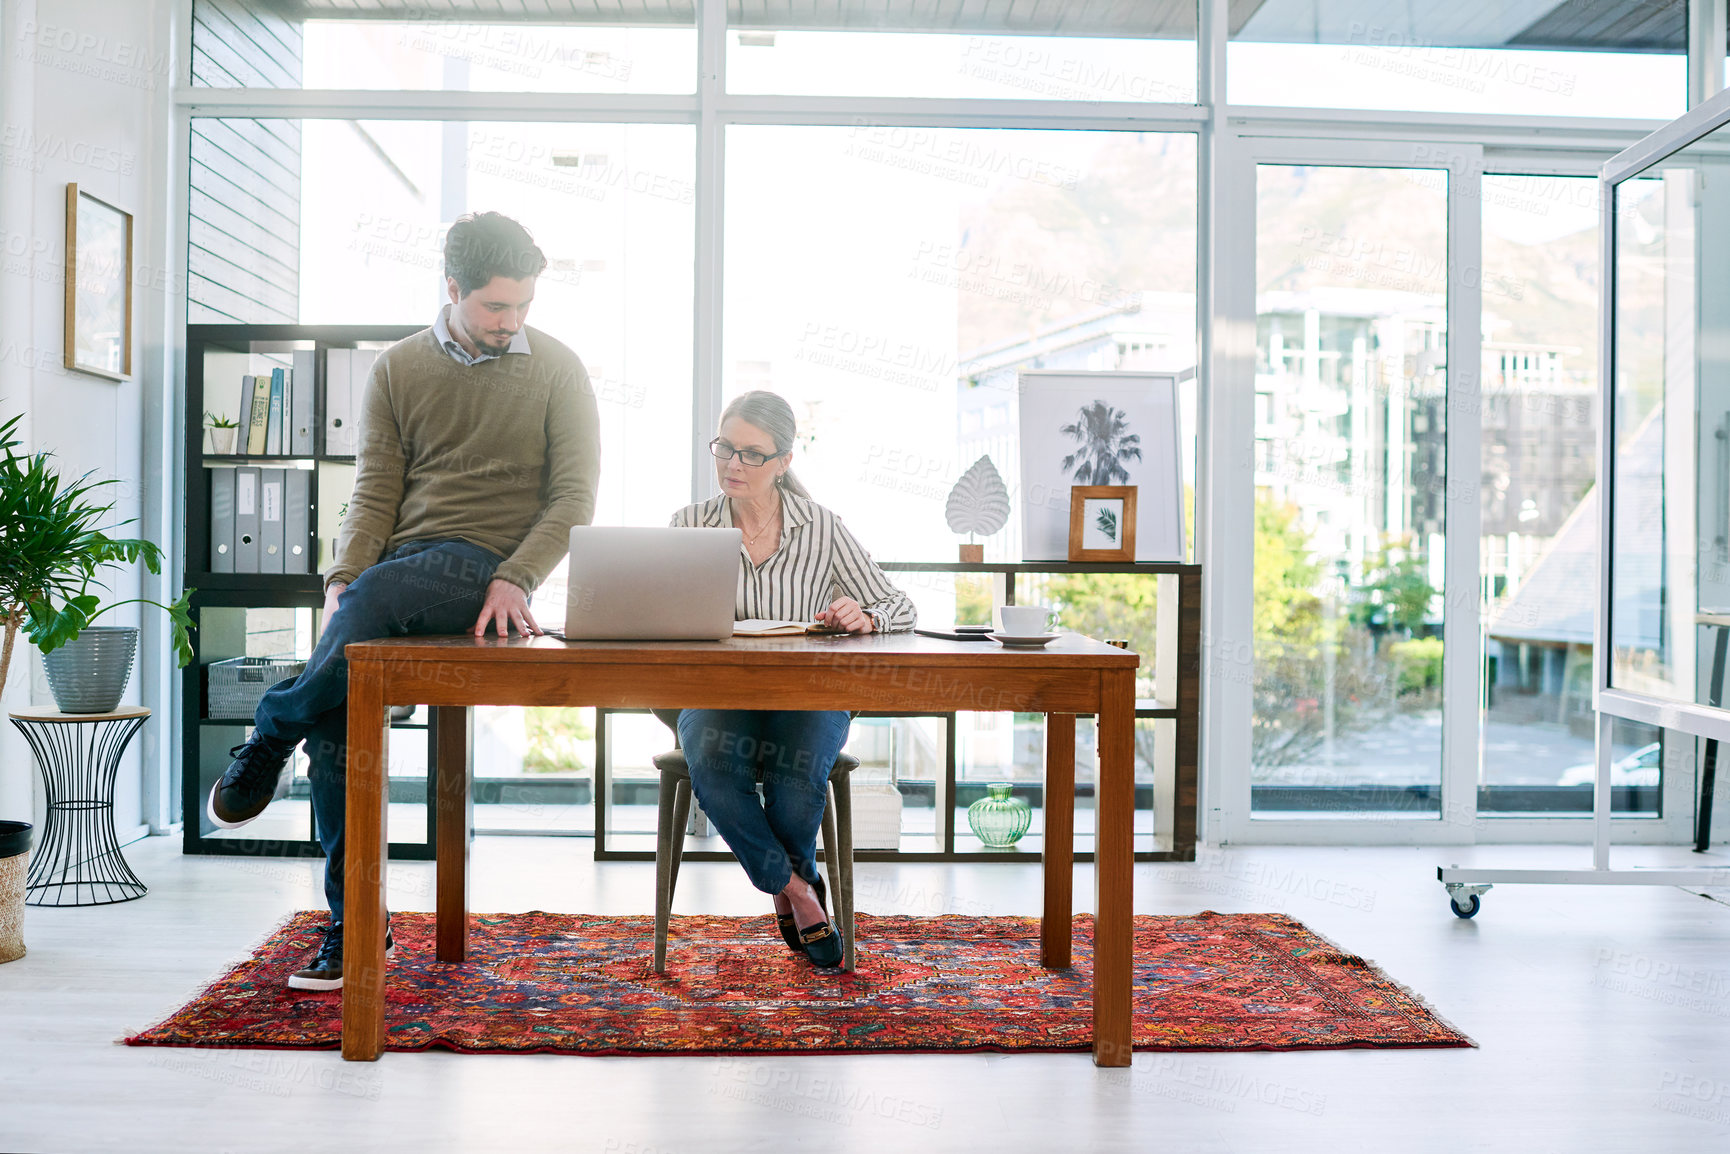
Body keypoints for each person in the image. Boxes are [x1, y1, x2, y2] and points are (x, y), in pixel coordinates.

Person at [207, 212, 601, 990]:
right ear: (452, 289)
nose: (511, 321)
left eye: (522, 306)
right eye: (495, 306)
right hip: (396, 582)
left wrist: (516, 577)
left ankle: (269, 724)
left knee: (359, 641)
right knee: (338, 730)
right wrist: (343, 582)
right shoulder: (397, 368)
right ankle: (357, 925)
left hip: (485, 577)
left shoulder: (559, 368)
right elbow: (375, 489)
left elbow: (574, 498)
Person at [670, 390, 915, 968]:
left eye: (751, 454)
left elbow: (898, 604)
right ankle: (800, 890)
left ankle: (789, 889)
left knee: (795, 781)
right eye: (725, 448)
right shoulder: (689, 525)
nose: (733, 464)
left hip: (809, 694)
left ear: (783, 461)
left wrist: (866, 615)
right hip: (717, 695)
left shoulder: (822, 528)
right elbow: (664, 619)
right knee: (714, 768)